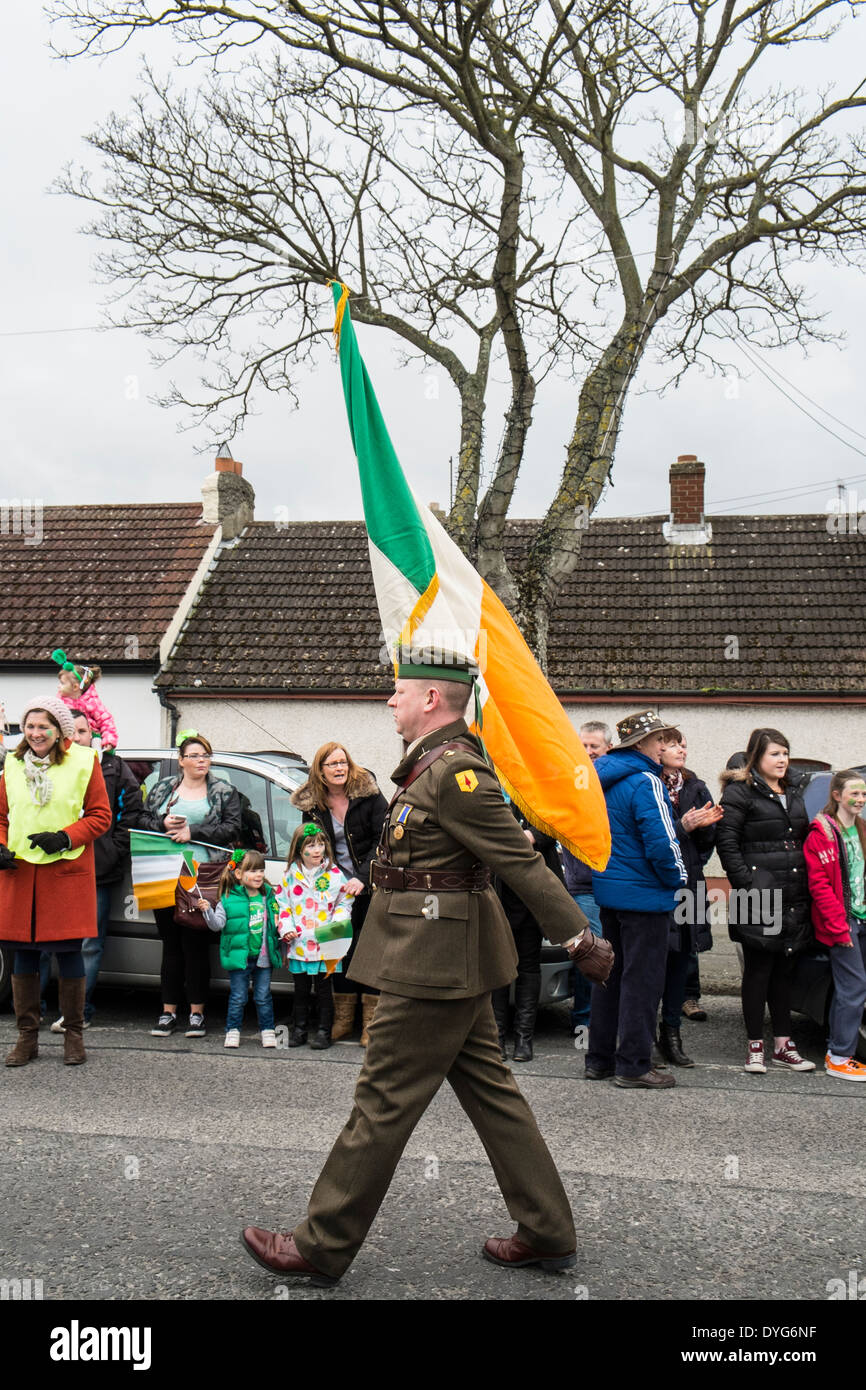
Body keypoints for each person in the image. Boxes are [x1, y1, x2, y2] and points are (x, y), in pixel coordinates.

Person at [240, 655, 612, 1288]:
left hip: (433, 965)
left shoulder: (456, 772)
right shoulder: (430, 766)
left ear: (433, 698)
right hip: (442, 957)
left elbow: (519, 863)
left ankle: (321, 1245)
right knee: (495, 1099)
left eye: (399, 691)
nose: (390, 701)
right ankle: (548, 1231)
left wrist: (579, 938)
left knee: (381, 1101)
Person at [0, 696, 111, 1066]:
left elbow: (100, 816)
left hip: (63, 870)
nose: (35, 733)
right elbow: (1, 817)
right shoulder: (12, 765)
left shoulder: (84, 761)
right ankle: (27, 1037)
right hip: (19, 872)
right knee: (25, 954)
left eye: (42, 726)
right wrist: (0, 846)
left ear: (59, 730)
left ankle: (73, 1035)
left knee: (67, 953)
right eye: (29, 726)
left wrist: (65, 837)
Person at [586, 710, 688, 1089]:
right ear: (642, 743)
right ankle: (633, 1065)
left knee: (609, 977)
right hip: (645, 896)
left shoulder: (605, 778)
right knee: (642, 982)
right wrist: (678, 878)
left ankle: (599, 1059)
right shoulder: (647, 780)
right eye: (659, 738)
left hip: (610, 890)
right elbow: (662, 841)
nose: (664, 745)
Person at [716, 728, 815, 1074]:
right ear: (757, 756)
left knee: (785, 971)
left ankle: (783, 1047)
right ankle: (755, 1046)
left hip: (793, 895)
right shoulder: (739, 793)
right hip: (757, 896)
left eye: (786, 753)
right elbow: (726, 843)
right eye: (775, 754)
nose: (783, 760)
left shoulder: (795, 791)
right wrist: (748, 884)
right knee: (759, 971)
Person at [43, 709, 146, 1032]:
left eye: (83, 731)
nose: (76, 737)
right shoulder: (47, 766)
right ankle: (37, 1008)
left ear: (93, 734)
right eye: (70, 732)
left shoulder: (113, 766)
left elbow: (132, 808)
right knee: (44, 941)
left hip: (96, 869)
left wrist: (114, 849)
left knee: (89, 943)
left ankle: (78, 1011)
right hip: (51, 865)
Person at [140, 732, 241, 1038]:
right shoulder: (163, 788)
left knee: (195, 945)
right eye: (195, 756)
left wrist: (193, 832)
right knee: (170, 946)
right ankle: (168, 1012)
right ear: (181, 760)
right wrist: (162, 824)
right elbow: (141, 820)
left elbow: (232, 829)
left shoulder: (223, 791)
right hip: (163, 874)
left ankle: (197, 1013)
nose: (201, 761)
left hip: (202, 876)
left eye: (206, 756)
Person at [291, 743, 387, 1044]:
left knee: (368, 950)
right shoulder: (313, 804)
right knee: (338, 949)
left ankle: (370, 1023)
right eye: (332, 764)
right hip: (332, 890)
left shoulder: (368, 794)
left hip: (369, 884)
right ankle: (343, 1019)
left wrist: (361, 878)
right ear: (321, 770)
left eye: (343, 762)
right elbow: (310, 845)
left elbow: (384, 839)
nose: (339, 768)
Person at [657, 733, 722, 1067]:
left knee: (682, 958)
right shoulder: (647, 784)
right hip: (656, 886)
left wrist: (706, 828)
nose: (681, 749)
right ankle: (642, 1033)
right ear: (656, 749)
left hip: (690, 883)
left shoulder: (695, 787)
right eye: (672, 745)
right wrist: (683, 827)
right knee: (654, 963)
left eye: (684, 745)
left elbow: (708, 841)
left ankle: (671, 1034)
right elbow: (656, 839)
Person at [803, 771, 866, 1080]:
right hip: (841, 923)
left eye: (864, 795)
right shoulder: (822, 833)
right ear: (837, 796)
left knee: (850, 988)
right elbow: (820, 887)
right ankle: (840, 1058)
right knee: (853, 987)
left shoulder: (862, 829)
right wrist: (839, 927)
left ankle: (837, 1050)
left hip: (862, 917)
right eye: (854, 793)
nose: (860, 800)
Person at [492, 799, 564, 1062]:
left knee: (528, 966)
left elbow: (555, 823)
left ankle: (524, 1038)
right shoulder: (490, 788)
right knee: (499, 968)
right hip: (498, 893)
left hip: (531, 895)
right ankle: (497, 1037)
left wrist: (531, 834)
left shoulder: (536, 791)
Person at [275, 823, 353, 1050]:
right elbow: (282, 905)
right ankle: (300, 1030)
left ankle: (323, 1031)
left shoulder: (335, 874)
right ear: (300, 849)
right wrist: (286, 927)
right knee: (300, 990)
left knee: (323, 991)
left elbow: (345, 901)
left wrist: (336, 922)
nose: (317, 849)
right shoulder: (289, 876)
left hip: (323, 943)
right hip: (299, 943)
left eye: (321, 844)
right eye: (311, 845)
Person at [561, 721, 612, 1041]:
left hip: (616, 883)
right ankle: (585, 1021)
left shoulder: (616, 783)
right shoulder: (571, 783)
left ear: (608, 748)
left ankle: (606, 1019)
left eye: (594, 746)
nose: (589, 752)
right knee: (590, 954)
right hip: (583, 885)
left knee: (613, 955)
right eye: (584, 746)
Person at [201, 849, 282, 1049]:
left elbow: (277, 921)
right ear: (238, 874)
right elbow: (217, 925)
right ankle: (233, 1030)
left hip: (263, 958)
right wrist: (207, 912)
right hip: (240, 958)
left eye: (261, 870)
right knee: (238, 997)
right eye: (253, 870)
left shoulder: (269, 896)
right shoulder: (228, 899)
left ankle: (268, 1030)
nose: (259, 875)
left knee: (263, 996)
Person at [52, 649, 119, 751]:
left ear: (75, 687)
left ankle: (97, 757)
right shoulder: (59, 703)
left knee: (96, 743)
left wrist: (108, 739)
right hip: (67, 740)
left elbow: (106, 721)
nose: (58, 686)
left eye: (62, 683)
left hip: (90, 740)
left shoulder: (92, 702)